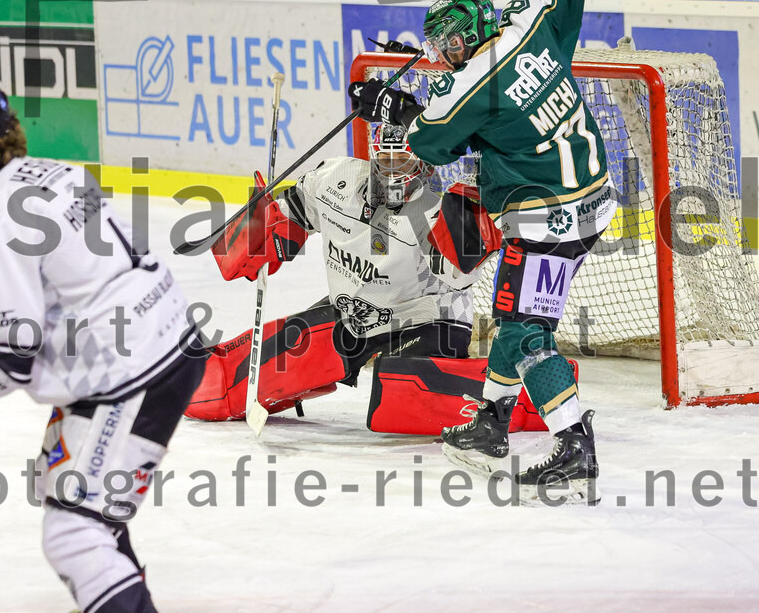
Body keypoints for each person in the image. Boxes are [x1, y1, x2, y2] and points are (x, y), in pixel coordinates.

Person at [0, 74, 207, 613]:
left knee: (73, 531)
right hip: (171, 341)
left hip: (129, 372)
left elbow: (9, 358)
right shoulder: (61, 172)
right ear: (12, 128)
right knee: (65, 485)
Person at [349, 0, 616, 504]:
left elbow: (429, 140)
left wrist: (388, 106)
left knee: (526, 332)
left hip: (547, 223)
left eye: (444, 45)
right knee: (511, 318)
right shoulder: (532, 19)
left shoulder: (470, 84)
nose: (440, 57)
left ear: (463, 39)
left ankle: (574, 446)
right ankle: (491, 423)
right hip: (593, 201)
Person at [183, 125, 556, 438]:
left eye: (402, 161)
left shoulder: (434, 213)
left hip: (427, 321)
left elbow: (459, 277)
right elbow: (293, 209)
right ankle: (191, 371)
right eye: (384, 159)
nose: (391, 171)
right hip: (353, 312)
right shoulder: (335, 179)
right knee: (236, 380)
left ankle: (523, 397)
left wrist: (471, 235)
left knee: (401, 391)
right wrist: (266, 228)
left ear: (423, 166)